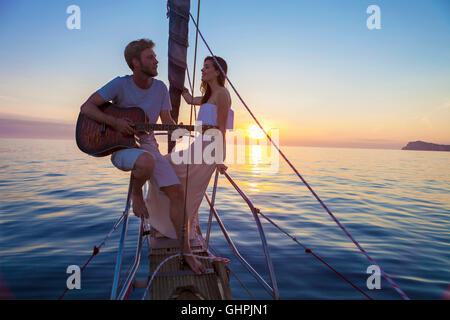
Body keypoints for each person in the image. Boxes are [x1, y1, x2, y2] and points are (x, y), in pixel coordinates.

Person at [79, 39, 205, 274]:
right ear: (135, 63)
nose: (157, 60)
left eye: (155, 57)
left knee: (177, 192)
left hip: (148, 145)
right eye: (151, 57)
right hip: (121, 148)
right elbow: (86, 107)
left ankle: (186, 251)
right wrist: (115, 121)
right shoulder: (119, 84)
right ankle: (137, 193)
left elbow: (167, 122)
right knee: (146, 161)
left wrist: (190, 131)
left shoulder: (160, 88)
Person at [144, 56, 233, 256]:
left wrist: (218, 157)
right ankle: (167, 225)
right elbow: (191, 100)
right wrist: (179, 88)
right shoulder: (209, 95)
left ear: (218, 72)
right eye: (202, 67)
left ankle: (174, 229)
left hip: (211, 148)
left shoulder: (223, 94)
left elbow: (221, 128)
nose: (202, 70)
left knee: (185, 186)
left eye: (207, 67)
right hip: (200, 145)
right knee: (162, 168)